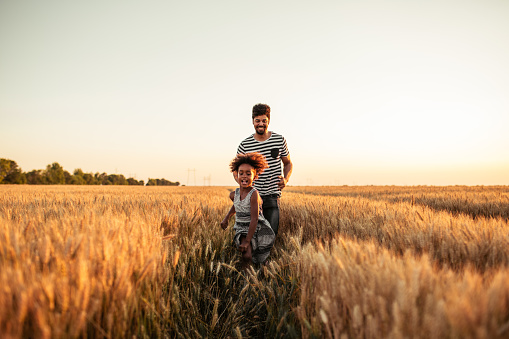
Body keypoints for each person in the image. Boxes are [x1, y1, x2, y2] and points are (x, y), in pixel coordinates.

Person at [235, 103, 293, 237]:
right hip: (252, 197)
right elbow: (235, 170)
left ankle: (267, 258)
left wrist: (286, 179)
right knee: (252, 235)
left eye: (264, 121)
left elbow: (288, 163)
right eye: (257, 121)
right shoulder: (245, 145)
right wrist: (244, 186)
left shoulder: (279, 140)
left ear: (269, 121)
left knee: (270, 234)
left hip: (272, 195)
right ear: (252, 121)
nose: (260, 124)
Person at [221, 152, 275, 269]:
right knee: (247, 255)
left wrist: (247, 241)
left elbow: (254, 219)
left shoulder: (253, 194)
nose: (244, 176)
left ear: (254, 177)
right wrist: (227, 218)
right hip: (241, 227)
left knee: (255, 255)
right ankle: (245, 277)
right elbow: (237, 205)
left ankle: (252, 276)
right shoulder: (233, 194)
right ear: (236, 176)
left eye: (248, 173)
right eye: (241, 173)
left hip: (256, 226)